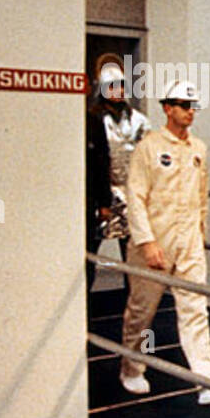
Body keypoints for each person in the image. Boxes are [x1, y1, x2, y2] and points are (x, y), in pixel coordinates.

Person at [120, 80, 210, 404]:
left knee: (195, 308)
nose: (190, 111)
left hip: (189, 241)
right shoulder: (149, 147)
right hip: (155, 241)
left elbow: (201, 195)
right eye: (183, 105)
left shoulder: (199, 148)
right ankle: (132, 367)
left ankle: (206, 380)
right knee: (142, 310)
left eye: (193, 106)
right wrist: (147, 242)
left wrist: (200, 234)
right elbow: (135, 198)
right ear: (168, 108)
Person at [96, 56, 151, 263]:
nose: (118, 91)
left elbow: (148, 155)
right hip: (104, 193)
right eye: (112, 87)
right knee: (92, 247)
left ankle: (133, 294)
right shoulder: (96, 119)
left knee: (132, 253)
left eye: (120, 86)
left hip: (131, 192)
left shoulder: (138, 120)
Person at [85, 80, 114, 295]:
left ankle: (86, 302)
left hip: (90, 200)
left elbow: (103, 162)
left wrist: (104, 203)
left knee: (88, 255)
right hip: (67, 197)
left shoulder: (93, 122)